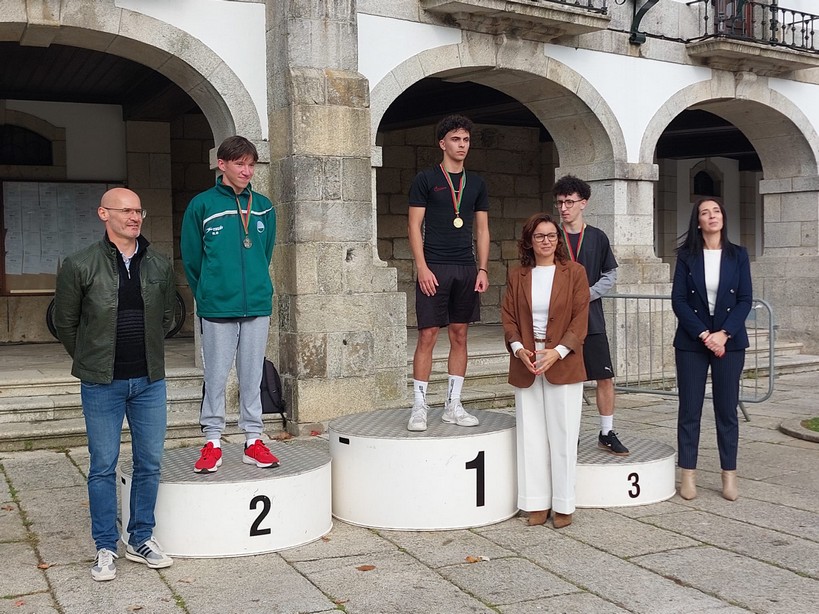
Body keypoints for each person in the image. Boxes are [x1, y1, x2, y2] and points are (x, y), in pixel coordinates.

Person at [53, 188, 175, 581]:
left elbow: (169, 315)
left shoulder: (158, 263)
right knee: (103, 466)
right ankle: (105, 546)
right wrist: (90, 357)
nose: (134, 217)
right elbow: (65, 322)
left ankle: (141, 538)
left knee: (149, 463)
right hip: (102, 383)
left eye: (139, 210)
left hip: (149, 381)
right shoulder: (79, 264)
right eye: (125, 210)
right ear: (103, 214)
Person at [181, 136, 279, 473]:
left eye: (251, 164)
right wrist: (208, 292)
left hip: (257, 305)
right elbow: (192, 258)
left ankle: (253, 440)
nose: (247, 171)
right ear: (221, 164)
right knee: (216, 375)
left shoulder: (264, 206)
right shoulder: (202, 205)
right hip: (217, 307)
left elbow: (265, 252)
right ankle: (212, 441)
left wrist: (256, 285)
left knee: (252, 375)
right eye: (240, 164)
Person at [501, 213, 589, 528]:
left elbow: (580, 318)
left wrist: (558, 351)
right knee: (531, 436)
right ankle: (536, 503)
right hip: (526, 361)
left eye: (552, 235)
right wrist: (518, 349)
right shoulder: (518, 275)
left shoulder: (575, 273)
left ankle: (564, 504)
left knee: (563, 435)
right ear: (529, 241)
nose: (546, 241)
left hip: (562, 361)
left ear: (558, 239)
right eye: (539, 236)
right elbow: (508, 317)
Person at [406, 115, 490, 431]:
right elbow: (414, 225)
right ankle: (419, 407)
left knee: (460, 334)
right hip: (434, 266)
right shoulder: (426, 179)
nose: (461, 145)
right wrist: (422, 267)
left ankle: (453, 405)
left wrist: (482, 268)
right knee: (428, 334)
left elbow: (482, 230)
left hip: (466, 267)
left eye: (466, 140)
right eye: (455, 139)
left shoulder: (476, 183)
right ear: (443, 143)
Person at [671, 197, 752, 501]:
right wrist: (705, 334)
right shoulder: (686, 257)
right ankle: (688, 474)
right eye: (705, 213)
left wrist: (724, 334)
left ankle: (729, 475)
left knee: (727, 410)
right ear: (698, 222)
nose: (712, 216)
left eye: (716, 211)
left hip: (730, 342)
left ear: (723, 218)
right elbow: (679, 300)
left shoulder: (738, 255)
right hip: (692, 342)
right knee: (689, 409)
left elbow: (745, 299)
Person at [553, 175, 629, 455]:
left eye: (569, 202)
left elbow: (610, 273)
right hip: (560, 321)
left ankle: (606, 432)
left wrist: (588, 294)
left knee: (604, 376)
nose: (564, 208)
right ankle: (569, 432)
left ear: (583, 203)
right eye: (560, 202)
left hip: (592, 319)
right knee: (567, 380)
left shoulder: (597, 237)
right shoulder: (551, 236)